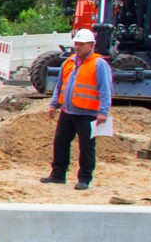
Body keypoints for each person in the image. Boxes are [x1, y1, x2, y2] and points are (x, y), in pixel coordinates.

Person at [43, 29, 111, 190]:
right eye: (76, 44)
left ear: (91, 45)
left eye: (81, 44)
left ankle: (84, 178)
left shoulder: (99, 64)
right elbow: (59, 86)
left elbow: (105, 89)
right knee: (60, 142)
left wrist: (103, 112)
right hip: (67, 111)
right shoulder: (69, 62)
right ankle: (58, 174)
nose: (78, 47)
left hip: (87, 113)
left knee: (86, 147)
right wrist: (54, 104)